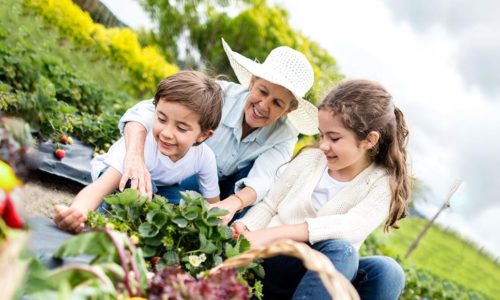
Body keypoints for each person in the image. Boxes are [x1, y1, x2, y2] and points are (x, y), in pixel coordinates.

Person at [232, 79, 411, 299]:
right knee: (342, 253)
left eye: (334, 138)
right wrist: (245, 227)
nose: (324, 145)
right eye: (321, 134)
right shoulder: (310, 161)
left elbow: (350, 227)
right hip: (273, 261)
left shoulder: (381, 183)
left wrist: (274, 233)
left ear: (369, 140)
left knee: (387, 271)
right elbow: (270, 206)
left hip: (318, 279)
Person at [118, 38, 319, 223]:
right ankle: (166, 201)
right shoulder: (219, 95)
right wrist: (134, 157)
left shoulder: (284, 134)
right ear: (252, 81)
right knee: (154, 194)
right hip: (179, 173)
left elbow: (263, 178)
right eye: (262, 91)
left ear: (289, 109)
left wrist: (231, 204)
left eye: (277, 103)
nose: (264, 106)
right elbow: (145, 112)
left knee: (263, 183)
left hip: (222, 192)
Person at [53, 70, 224, 233]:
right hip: (121, 177)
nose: (166, 133)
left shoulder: (204, 157)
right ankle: (107, 223)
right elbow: (99, 188)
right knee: (130, 194)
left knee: (187, 204)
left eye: (181, 128)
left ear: (203, 135)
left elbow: (213, 205)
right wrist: (76, 213)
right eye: (161, 119)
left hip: (159, 188)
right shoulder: (143, 144)